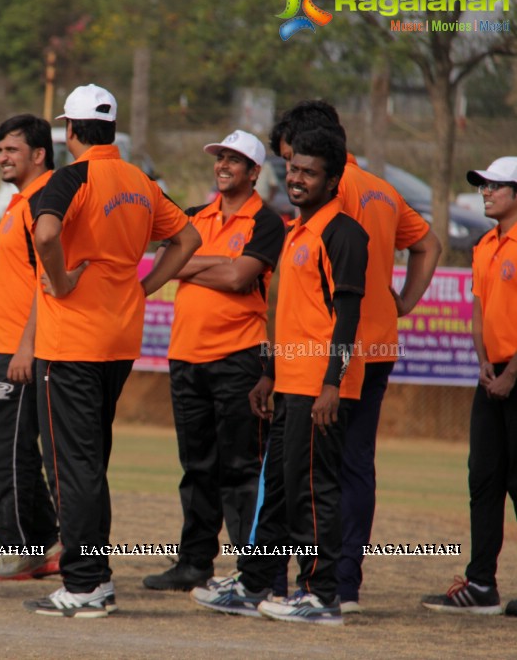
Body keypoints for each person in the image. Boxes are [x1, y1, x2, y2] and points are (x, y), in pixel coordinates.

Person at [23, 84, 201, 618]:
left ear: (71, 131)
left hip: (70, 342)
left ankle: (83, 585)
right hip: (119, 340)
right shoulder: (139, 181)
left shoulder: (70, 177)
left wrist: (59, 281)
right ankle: (92, 577)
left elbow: (46, 234)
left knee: (73, 466)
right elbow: (189, 238)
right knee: (90, 462)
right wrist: (145, 286)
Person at [269, 101, 441, 611]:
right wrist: (403, 303)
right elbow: (428, 244)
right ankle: (345, 585)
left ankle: (309, 586)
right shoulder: (384, 191)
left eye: (296, 159)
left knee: (312, 471)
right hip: (378, 342)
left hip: (331, 350)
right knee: (355, 465)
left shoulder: (332, 194)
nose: (293, 171)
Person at [192, 128, 368, 625]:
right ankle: (252, 584)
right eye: (292, 169)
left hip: (320, 388)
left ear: (332, 179)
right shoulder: (296, 230)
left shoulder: (344, 233)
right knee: (279, 488)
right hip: (288, 382)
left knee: (313, 491)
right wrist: (268, 372)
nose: (296, 179)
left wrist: (332, 383)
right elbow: (284, 310)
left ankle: (320, 595)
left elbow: (347, 316)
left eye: (309, 172)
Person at [142, 130, 284, 592]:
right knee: (197, 466)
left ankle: (252, 570)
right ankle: (194, 563)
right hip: (185, 357)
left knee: (241, 468)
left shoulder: (267, 221)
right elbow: (164, 265)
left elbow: (242, 277)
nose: (223, 165)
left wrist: (193, 261)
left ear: (254, 172)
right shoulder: (192, 217)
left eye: (235, 160)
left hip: (239, 358)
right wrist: (212, 261)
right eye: (220, 157)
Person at [422, 156, 517, 615]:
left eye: (495, 186)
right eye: (483, 185)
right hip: (491, 374)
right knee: (483, 478)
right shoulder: (484, 244)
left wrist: (513, 373)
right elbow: (479, 310)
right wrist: (484, 364)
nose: (485, 192)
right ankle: (481, 584)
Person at [0, 114, 60, 580]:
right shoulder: (18, 201)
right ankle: (42, 543)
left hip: (25, 352)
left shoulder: (43, 200)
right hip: (4, 348)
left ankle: (17, 547)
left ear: (39, 154)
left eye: (12, 149)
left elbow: (44, 284)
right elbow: (8, 282)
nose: (2, 157)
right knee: (18, 451)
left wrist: (25, 347)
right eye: (0, 149)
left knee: (4, 451)